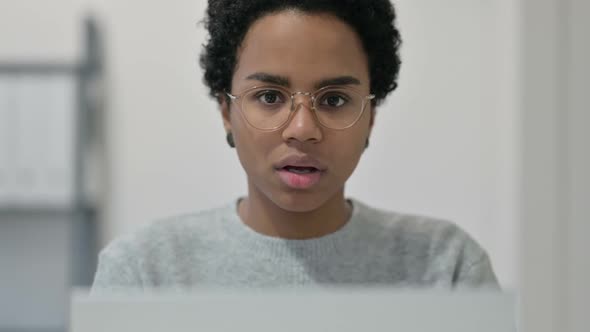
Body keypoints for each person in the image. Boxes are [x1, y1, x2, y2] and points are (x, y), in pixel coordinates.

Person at [92, 0, 498, 291]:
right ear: (225, 111)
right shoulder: (145, 272)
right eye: (269, 97)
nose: (302, 129)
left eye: (334, 100)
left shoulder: (446, 268)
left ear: (370, 116)